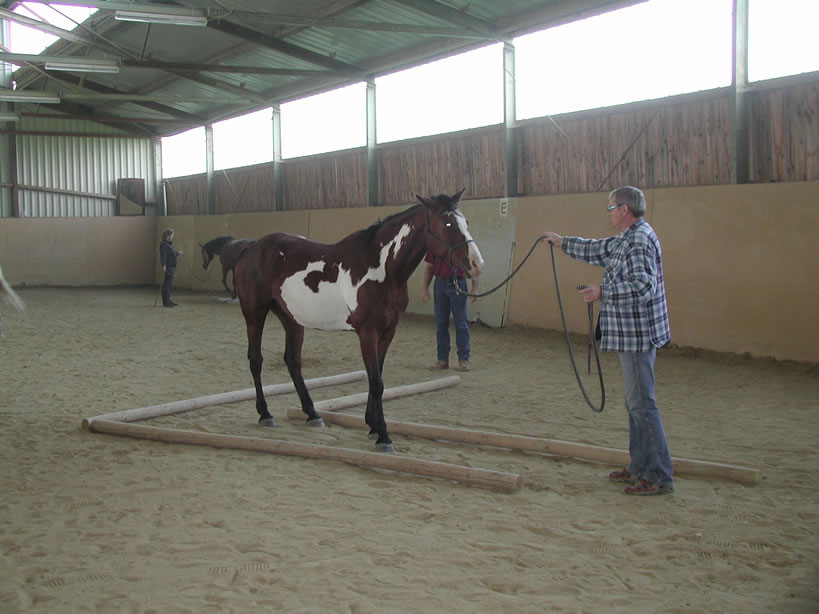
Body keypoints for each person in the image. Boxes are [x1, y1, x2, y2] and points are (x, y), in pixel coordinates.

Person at [542, 185, 674, 496]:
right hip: (631, 335)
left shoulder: (639, 240)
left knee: (642, 405)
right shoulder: (628, 237)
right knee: (635, 404)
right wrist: (562, 242)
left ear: (624, 209)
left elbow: (644, 286)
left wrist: (604, 292)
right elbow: (598, 249)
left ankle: (658, 476)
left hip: (638, 335)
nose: (609, 212)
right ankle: (640, 466)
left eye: (611, 207)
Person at [421, 251, 478, 371]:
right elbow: (430, 266)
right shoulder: (435, 246)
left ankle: (463, 360)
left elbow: (472, 267)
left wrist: (474, 288)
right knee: (441, 324)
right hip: (440, 284)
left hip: (458, 283)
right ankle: (442, 360)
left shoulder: (463, 246)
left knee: (461, 324)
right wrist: (425, 288)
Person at [159, 228, 182, 308]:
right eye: (172, 235)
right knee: (166, 285)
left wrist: (178, 253)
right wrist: (163, 265)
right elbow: (164, 256)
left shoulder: (168, 245)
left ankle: (168, 300)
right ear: (168, 236)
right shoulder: (164, 245)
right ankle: (166, 302)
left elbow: (171, 253)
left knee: (168, 284)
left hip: (171, 266)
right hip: (168, 267)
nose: (173, 237)